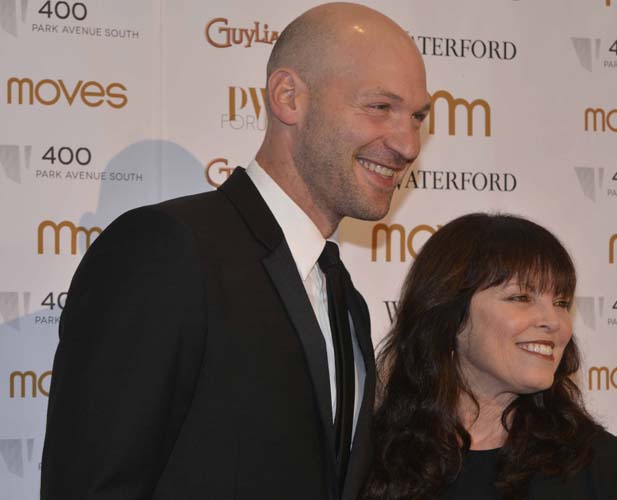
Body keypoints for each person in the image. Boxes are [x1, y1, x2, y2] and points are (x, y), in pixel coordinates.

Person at [40, 3, 430, 500]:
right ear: (289, 97)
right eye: (380, 107)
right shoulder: (169, 251)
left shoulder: (342, 296)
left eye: (418, 117)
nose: (408, 144)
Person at [364, 213, 617, 500]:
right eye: (521, 298)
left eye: (561, 302)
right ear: (450, 316)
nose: (554, 321)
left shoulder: (601, 463)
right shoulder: (368, 459)